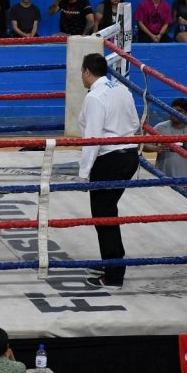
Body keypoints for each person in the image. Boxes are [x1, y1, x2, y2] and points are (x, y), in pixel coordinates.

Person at [78, 53, 140, 289]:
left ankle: (114, 275)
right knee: (107, 213)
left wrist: (84, 172)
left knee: (104, 216)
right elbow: (134, 123)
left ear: (86, 71)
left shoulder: (95, 96)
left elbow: (92, 137)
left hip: (110, 160)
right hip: (129, 157)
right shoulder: (121, 89)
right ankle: (110, 263)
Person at [144, 98, 187, 196]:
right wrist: (155, 149)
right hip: (161, 180)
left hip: (182, 182)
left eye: (179, 111)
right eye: (172, 110)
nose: (174, 113)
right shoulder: (160, 128)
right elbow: (143, 145)